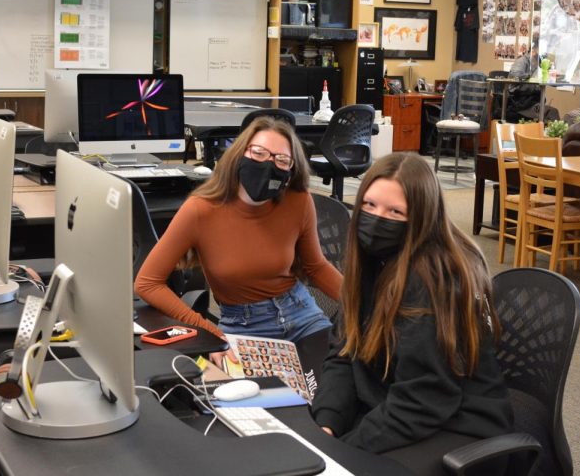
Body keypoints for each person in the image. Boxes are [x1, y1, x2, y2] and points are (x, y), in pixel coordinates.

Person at [311, 153, 513, 476]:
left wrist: (347, 446)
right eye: (370, 206)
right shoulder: (370, 261)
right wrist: (327, 425)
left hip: (458, 423)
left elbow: (424, 397)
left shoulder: (434, 279)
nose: (377, 220)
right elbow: (343, 351)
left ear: (421, 218)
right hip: (397, 401)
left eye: (395, 212)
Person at [135, 117, 341, 365]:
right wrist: (207, 332)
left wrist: (364, 303)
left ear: (290, 170)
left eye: (281, 160)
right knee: (265, 402)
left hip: (302, 315)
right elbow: (147, 283)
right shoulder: (201, 209)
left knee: (324, 392)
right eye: (259, 153)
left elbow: (315, 267)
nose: (269, 163)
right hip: (243, 326)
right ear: (240, 153)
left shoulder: (297, 200)